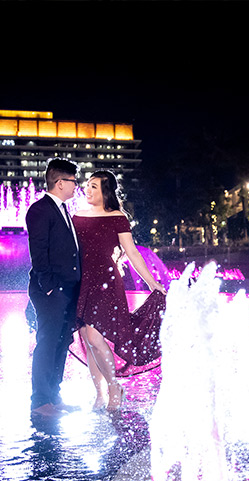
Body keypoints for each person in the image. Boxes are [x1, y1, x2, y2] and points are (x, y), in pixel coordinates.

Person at [72, 170, 166, 411]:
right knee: (86, 338)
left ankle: (114, 386)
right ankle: (99, 393)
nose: (88, 190)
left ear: (106, 191)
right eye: (88, 185)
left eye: (94, 186)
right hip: (81, 280)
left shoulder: (117, 217)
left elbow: (132, 252)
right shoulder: (76, 216)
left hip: (106, 281)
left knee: (94, 335)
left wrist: (151, 283)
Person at [26, 158, 82, 418]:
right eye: (73, 181)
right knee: (48, 343)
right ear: (60, 183)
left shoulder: (63, 210)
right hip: (51, 290)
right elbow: (39, 251)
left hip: (68, 288)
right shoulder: (40, 210)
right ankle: (39, 401)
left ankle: (54, 397)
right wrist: (49, 287)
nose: (76, 187)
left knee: (61, 343)